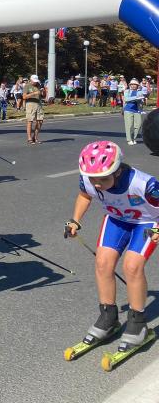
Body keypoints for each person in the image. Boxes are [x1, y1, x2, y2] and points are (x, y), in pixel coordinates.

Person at [65, 141, 159, 353]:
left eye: (103, 179)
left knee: (132, 266)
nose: (96, 184)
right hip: (117, 220)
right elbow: (84, 196)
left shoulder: (144, 184)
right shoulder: (88, 180)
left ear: (117, 172)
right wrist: (75, 220)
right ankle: (108, 317)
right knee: (102, 263)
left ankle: (138, 323)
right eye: (93, 179)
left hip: (146, 222)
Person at [23, 75, 44, 145]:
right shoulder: (27, 86)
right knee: (30, 121)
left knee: (40, 121)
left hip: (38, 104)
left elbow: (41, 95)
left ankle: (35, 137)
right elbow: (24, 96)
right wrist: (34, 93)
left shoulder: (38, 85)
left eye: (36, 81)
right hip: (30, 104)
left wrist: (43, 92)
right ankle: (29, 138)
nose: (35, 82)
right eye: (34, 81)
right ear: (30, 80)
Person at [124, 79, 146, 145]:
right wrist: (136, 97)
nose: (133, 86)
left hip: (137, 110)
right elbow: (126, 99)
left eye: (135, 85)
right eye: (132, 84)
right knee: (129, 125)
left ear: (137, 86)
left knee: (138, 125)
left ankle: (134, 138)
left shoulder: (140, 92)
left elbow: (141, 101)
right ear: (130, 85)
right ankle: (129, 140)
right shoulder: (127, 91)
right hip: (128, 109)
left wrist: (141, 101)